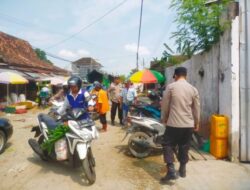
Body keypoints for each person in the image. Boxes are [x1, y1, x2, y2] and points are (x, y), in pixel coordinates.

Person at [160, 67, 200, 183]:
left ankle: (171, 170)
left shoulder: (171, 87)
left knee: (167, 144)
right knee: (184, 146)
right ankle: (182, 170)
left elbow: (165, 105)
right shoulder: (193, 89)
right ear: (185, 76)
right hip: (188, 124)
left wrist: (165, 118)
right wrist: (196, 122)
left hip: (174, 123)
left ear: (175, 75)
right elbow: (197, 108)